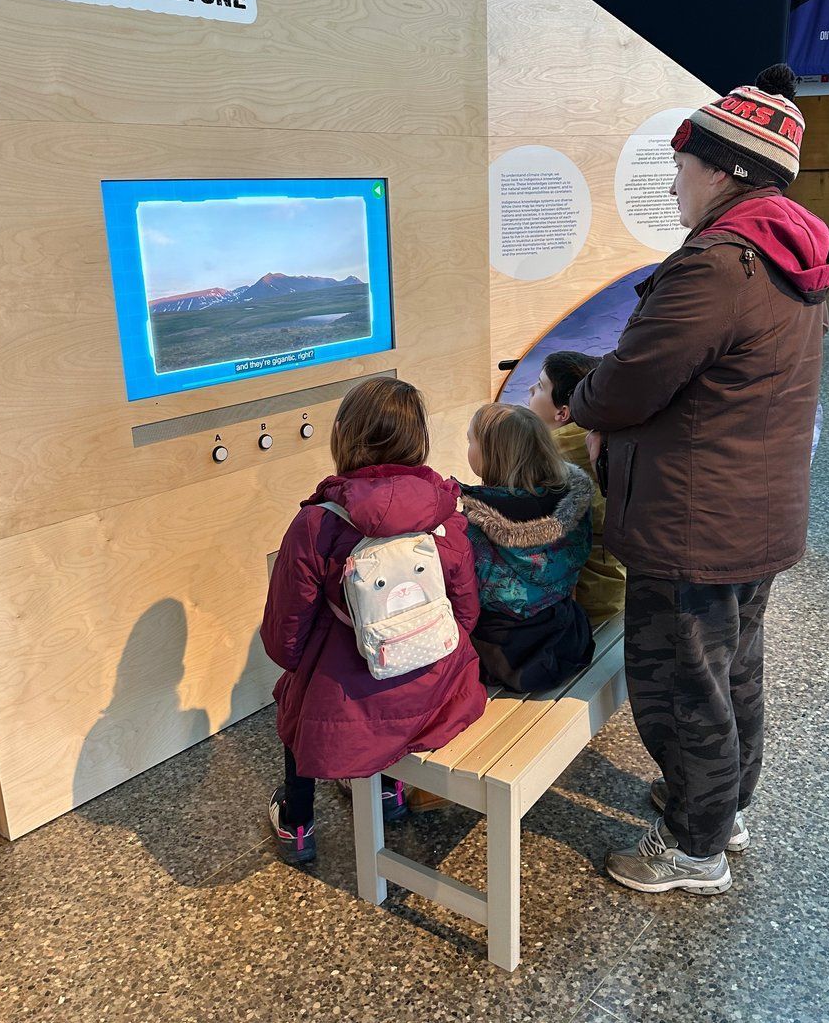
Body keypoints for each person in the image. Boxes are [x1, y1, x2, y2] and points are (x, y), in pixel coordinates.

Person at [570, 64, 829, 896]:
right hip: (751, 513)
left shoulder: (719, 265)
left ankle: (694, 847)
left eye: (681, 164)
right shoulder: (789, 253)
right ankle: (723, 807)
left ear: (724, 170)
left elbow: (630, 382)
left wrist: (582, 400)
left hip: (694, 523)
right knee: (732, 671)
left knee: (682, 685)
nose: (673, 182)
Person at [260, 377, 486, 862]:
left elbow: (285, 640)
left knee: (296, 698)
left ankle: (297, 824)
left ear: (343, 433)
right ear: (419, 438)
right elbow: (466, 612)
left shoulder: (318, 523)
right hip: (439, 693)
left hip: (350, 705)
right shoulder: (443, 514)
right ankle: (388, 791)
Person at [459, 402, 595, 693]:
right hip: (568, 636)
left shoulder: (472, 524)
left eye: (471, 441)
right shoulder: (573, 504)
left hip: (504, 657)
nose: (468, 447)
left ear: (491, 455)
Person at [527, 351, 626, 624]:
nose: (531, 389)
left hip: (586, 610)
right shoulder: (612, 443)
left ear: (562, 413)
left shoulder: (546, 463)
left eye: (540, 386)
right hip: (620, 597)